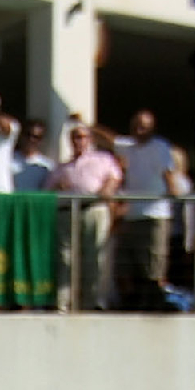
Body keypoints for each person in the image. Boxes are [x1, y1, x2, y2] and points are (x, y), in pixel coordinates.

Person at [52, 120, 121, 311]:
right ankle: (63, 303)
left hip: (94, 208)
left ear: (89, 139)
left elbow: (114, 177)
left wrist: (107, 188)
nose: (78, 141)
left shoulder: (103, 159)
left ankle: (92, 302)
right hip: (68, 212)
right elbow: (47, 188)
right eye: (75, 137)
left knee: (94, 257)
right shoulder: (63, 166)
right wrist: (58, 186)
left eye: (82, 137)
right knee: (65, 258)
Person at [113, 111, 176, 310]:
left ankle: (154, 302)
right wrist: (84, 123)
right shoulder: (127, 146)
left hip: (155, 213)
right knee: (128, 262)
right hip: (132, 215)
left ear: (152, 128)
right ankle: (134, 302)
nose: (140, 129)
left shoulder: (160, 147)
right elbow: (108, 139)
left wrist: (173, 192)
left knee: (153, 263)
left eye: (145, 125)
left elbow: (168, 173)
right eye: (137, 125)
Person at [13, 118, 56, 192]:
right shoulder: (8, 160)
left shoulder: (48, 166)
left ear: (41, 140)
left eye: (36, 137)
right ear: (21, 135)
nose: (31, 139)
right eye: (28, 134)